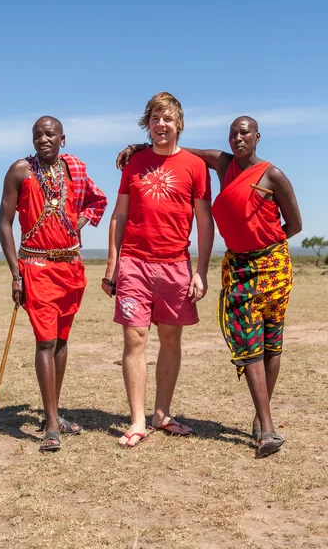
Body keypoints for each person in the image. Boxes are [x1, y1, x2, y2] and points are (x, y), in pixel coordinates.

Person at [117, 115, 302, 457]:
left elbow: (295, 223)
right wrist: (142, 147)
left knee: (271, 342)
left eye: (244, 132)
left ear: (258, 136)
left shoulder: (272, 174)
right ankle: (268, 428)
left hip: (272, 266)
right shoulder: (223, 163)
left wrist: (262, 245)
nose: (238, 138)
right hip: (238, 269)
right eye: (233, 133)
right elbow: (180, 151)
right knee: (248, 343)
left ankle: (262, 421)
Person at [102, 92, 214, 447]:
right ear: (147, 125)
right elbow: (119, 214)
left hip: (176, 265)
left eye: (167, 119)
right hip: (134, 263)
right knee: (134, 339)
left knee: (170, 340)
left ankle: (161, 414)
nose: (160, 124)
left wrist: (201, 270)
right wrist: (112, 266)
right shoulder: (133, 163)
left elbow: (204, 221)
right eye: (154, 119)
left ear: (178, 124)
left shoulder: (195, 166)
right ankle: (136, 421)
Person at [0, 116, 107, 452]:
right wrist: (16, 274)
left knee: (61, 342)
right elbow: (4, 224)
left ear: (63, 138)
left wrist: (81, 221)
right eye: (37, 135)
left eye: (49, 134)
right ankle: (50, 424)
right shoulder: (20, 170)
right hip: (35, 266)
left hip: (71, 267)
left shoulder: (73, 169)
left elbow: (97, 201)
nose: (43, 139)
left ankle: (54, 414)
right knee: (45, 342)